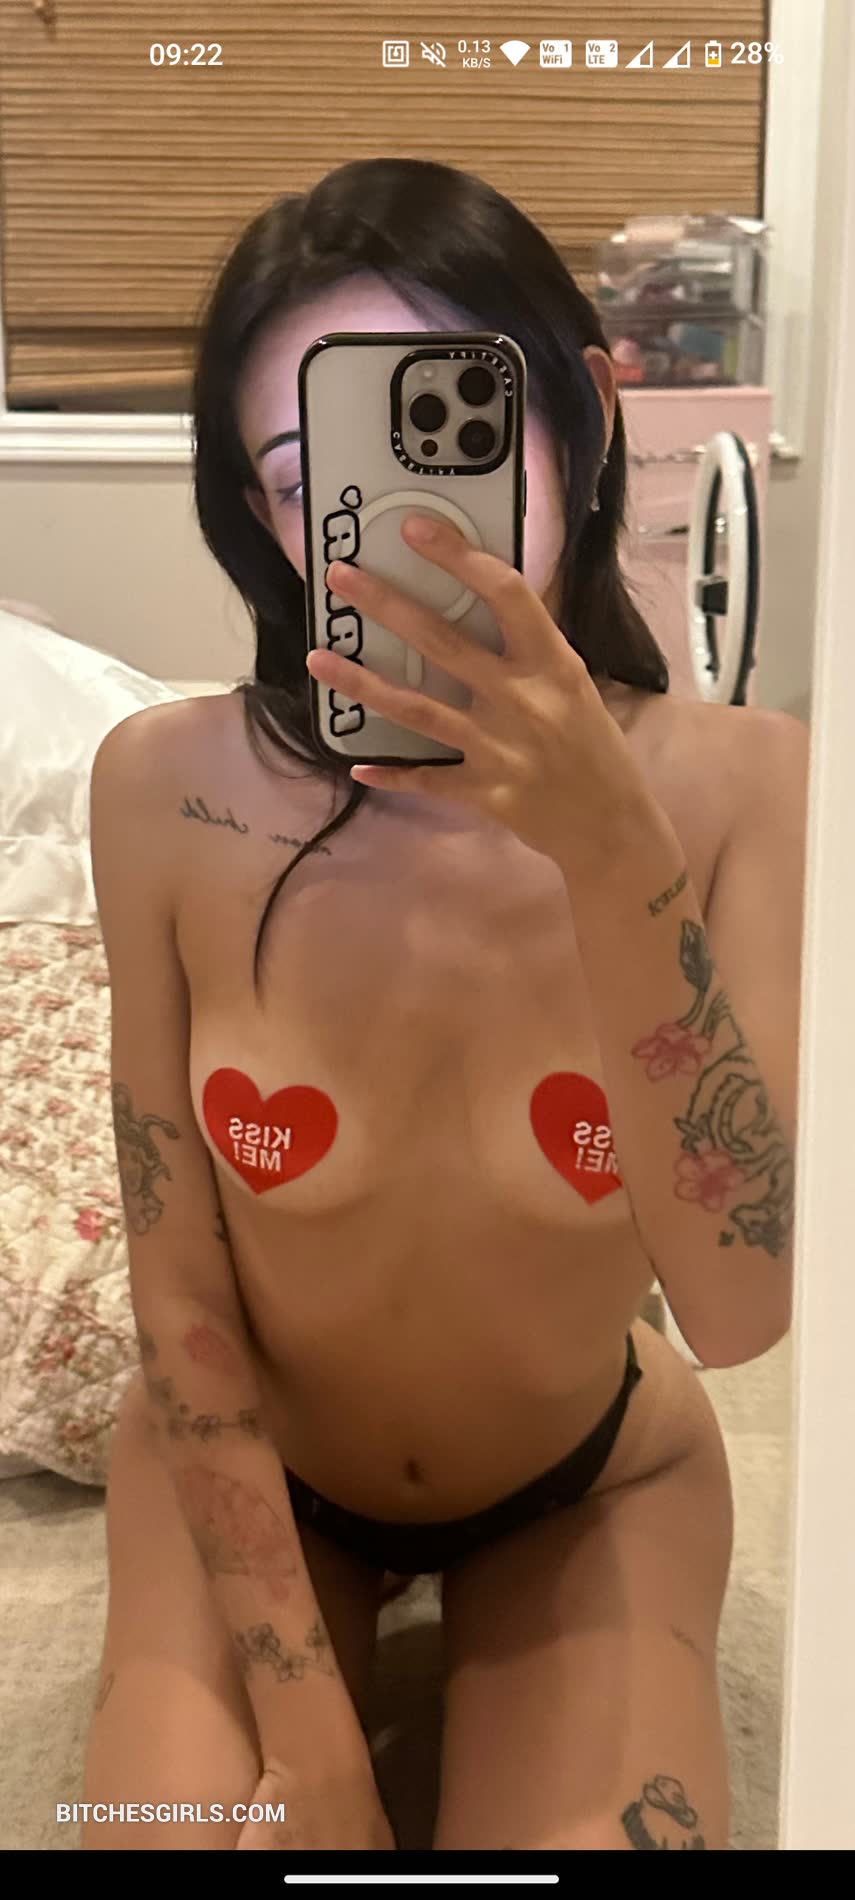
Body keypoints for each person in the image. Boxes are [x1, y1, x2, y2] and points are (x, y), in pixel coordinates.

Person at [81, 158, 807, 1852]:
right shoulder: (162, 790)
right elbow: (178, 1280)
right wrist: (305, 1730)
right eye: (309, 478)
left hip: (582, 1481)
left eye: (451, 438)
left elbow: (739, 1309)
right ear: (263, 520)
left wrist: (611, 852)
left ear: (583, 421)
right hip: (243, 1474)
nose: (400, 529)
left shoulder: (751, 791)